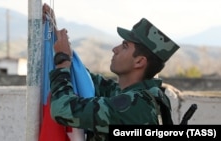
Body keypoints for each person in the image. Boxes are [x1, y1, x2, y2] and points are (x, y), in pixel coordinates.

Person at [48, 15, 180, 140]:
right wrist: (54, 33)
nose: (115, 49)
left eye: (125, 46)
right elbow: (85, 80)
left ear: (139, 62)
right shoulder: (134, 94)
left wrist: (62, 62)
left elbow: (62, 109)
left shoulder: (136, 106)